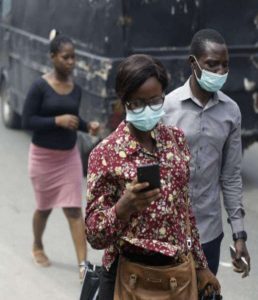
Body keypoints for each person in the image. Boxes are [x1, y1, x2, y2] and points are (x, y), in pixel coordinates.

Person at [85, 54, 220, 299]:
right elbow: (94, 234)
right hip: (127, 278)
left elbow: (185, 210)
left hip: (176, 277)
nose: (147, 109)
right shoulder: (104, 154)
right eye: (138, 103)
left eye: (155, 101)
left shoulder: (176, 140)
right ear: (124, 101)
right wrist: (123, 207)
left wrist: (201, 266)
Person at [162, 28, 250, 277]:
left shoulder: (231, 112)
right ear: (193, 63)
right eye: (212, 65)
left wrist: (239, 234)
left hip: (208, 233)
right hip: (167, 231)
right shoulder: (167, 108)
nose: (220, 72)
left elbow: (231, 176)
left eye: (225, 65)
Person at [22, 32, 99, 281]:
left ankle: (83, 266)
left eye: (74, 57)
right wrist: (57, 120)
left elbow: (73, 120)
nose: (71, 62)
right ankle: (37, 245)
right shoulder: (39, 86)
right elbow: (27, 120)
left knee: (74, 211)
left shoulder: (75, 89)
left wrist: (88, 127)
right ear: (53, 57)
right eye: (66, 57)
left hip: (69, 158)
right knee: (44, 209)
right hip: (43, 158)